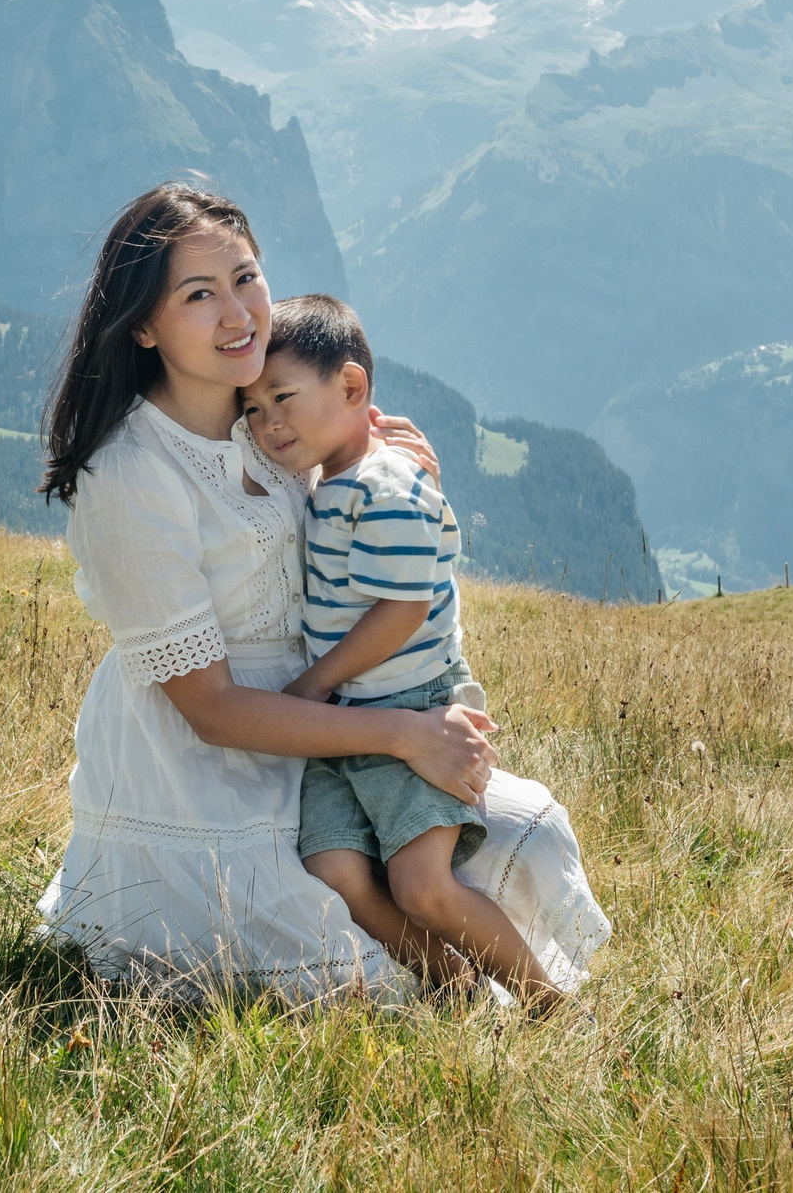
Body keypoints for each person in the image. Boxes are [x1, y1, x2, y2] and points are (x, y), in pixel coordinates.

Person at [35, 181, 607, 1001]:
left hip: (336, 720)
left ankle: (498, 990)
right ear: (143, 326)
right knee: (348, 964)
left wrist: (394, 466)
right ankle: (466, 994)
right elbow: (211, 709)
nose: (239, 313)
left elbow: (363, 503)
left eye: (246, 277)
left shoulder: (270, 417)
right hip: (209, 765)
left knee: (530, 838)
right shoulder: (132, 473)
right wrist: (406, 735)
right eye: (199, 294)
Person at [241, 293, 558, 1006]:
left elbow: (404, 609)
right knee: (334, 869)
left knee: (422, 886)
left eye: (283, 398)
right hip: (352, 712)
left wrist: (313, 685)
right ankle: (457, 988)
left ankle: (548, 1004)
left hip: (409, 703)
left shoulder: (385, 483)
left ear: (352, 386)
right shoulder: (332, 480)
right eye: (253, 409)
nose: (269, 423)